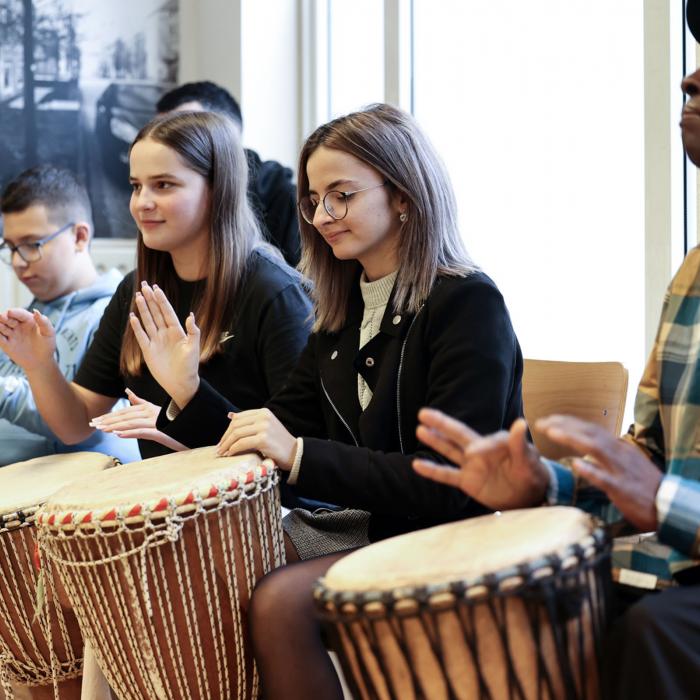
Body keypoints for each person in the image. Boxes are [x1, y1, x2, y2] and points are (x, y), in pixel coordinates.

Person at [132, 103, 524, 698]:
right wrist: (188, 390)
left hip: (448, 531)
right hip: (365, 526)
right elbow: (275, 432)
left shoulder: (466, 303)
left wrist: (299, 456)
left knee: (279, 600)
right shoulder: (339, 314)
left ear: (403, 195)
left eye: (341, 195)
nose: (321, 216)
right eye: (314, 200)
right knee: (197, 569)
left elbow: (450, 480)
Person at [412, 4, 700, 696]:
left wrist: (663, 503)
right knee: (501, 602)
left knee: (652, 631)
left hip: (676, 587)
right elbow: (648, 458)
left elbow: (656, 491)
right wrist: (545, 484)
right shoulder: (692, 275)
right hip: (672, 564)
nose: (690, 82)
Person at [0, 112, 312, 461]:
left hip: (259, 510)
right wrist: (39, 365)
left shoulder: (274, 293)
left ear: (216, 189)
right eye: (136, 186)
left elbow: (296, 452)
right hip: (167, 504)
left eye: (163, 185)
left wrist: (185, 405)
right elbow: (77, 424)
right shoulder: (136, 290)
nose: (142, 202)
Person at [0, 165, 139, 465]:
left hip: (68, 498)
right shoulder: (26, 316)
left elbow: (86, 425)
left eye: (31, 245)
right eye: (10, 247)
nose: (18, 262)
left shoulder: (113, 315)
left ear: (79, 236)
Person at [156, 81, 301, 267]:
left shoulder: (289, 200)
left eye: (184, 134)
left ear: (227, 132)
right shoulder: (166, 207)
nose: (166, 147)